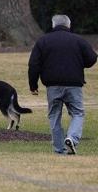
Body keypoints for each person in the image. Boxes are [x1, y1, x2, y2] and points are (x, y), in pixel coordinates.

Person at [28, 15, 97, 155]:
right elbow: (92, 58)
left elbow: (34, 65)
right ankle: (72, 138)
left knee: (54, 115)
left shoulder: (43, 41)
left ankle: (60, 150)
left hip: (52, 85)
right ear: (69, 25)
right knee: (77, 113)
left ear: (53, 25)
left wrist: (33, 85)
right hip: (74, 85)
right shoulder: (78, 40)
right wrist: (78, 63)